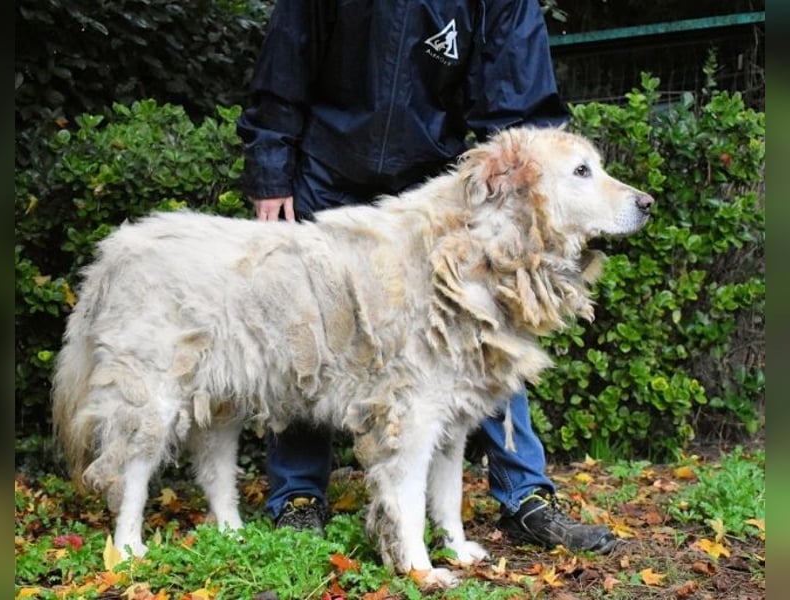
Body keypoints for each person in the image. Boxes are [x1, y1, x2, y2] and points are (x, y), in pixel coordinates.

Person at [236, 0, 617, 554]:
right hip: (328, 169)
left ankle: (524, 495)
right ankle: (297, 497)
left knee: (491, 328)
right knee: (310, 330)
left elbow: (521, 112)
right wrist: (271, 169)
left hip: (436, 180)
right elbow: (285, 63)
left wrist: (525, 206)